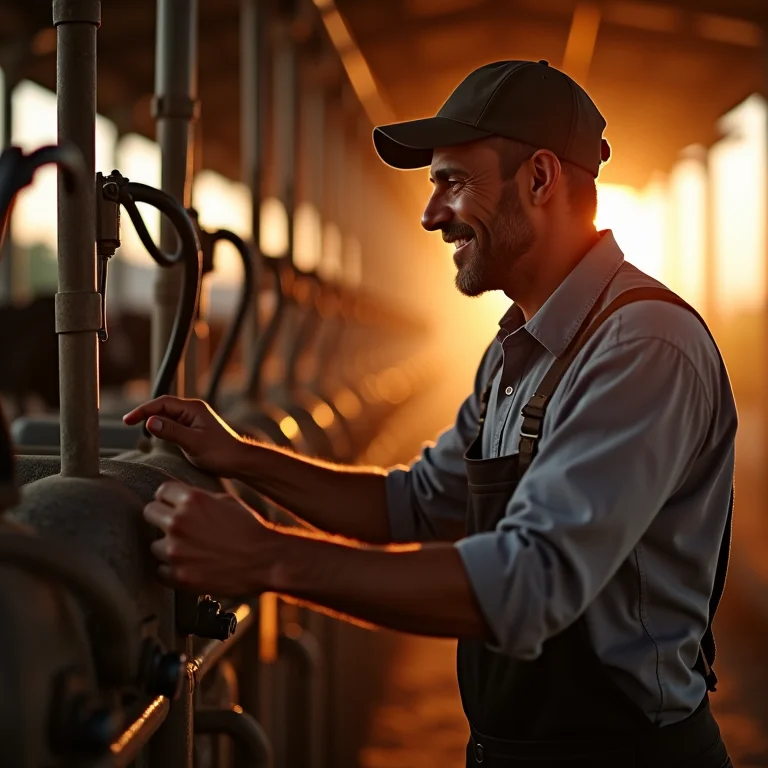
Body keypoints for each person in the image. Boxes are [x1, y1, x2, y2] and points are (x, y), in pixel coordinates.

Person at [124, 60, 736, 767]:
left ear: (539, 179)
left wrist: (265, 556)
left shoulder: (643, 346)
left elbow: (528, 585)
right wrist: (241, 456)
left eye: (453, 181)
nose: (431, 213)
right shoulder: (517, 350)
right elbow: (415, 506)